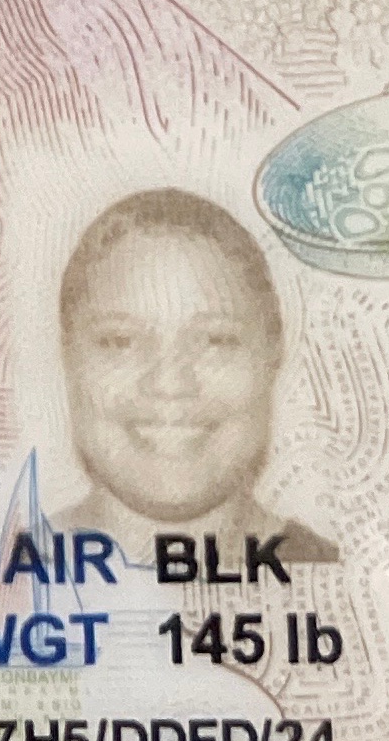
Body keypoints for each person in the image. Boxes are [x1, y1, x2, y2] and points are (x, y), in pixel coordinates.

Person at [51, 188, 337, 565]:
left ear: (272, 353)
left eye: (216, 341)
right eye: (121, 341)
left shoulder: (349, 582)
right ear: (69, 356)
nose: (170, 384)